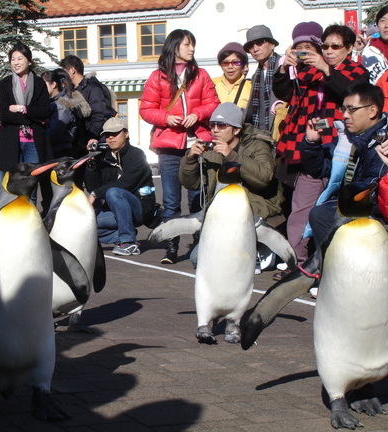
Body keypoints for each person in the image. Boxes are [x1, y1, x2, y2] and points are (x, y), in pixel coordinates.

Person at [273, 23, 369, 273]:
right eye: (324, 46)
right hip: (311, 147)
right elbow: (283, 92)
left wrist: (327, 69)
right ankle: (297, 264)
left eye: (335, 46)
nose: (328, 51)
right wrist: (285, 67)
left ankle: (333, 266)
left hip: (343, 153)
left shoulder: (357, 71)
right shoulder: (309, 72)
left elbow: (350, 92)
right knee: (301, 209)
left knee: (337, 213)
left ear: (349, 48)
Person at [139, 28, 219, 264]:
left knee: (197, 198)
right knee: (172, 201)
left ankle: (198, 244)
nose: (191, 49)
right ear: (174, 47)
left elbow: (214, 104)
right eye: (186, 44)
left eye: (193, 44)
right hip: (169, 147)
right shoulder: (158, 77)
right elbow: (145, 109)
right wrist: (166, 118)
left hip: (197, 144)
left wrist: (198, 113)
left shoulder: (201, 75)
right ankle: (171, 248)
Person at [180, 102, 284, 266]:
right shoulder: (213, 150)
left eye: (221, 125)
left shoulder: (257, 145)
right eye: (212, 125)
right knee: (197, 259)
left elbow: (264, 178)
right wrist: (190, 159)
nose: (215, 130)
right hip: (224, 218)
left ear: (236, 130)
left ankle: (260, 247)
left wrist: (232, 156)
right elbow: (192, 184)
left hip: (255, 214)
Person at [302, 83, 388, 248]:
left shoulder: (384, 142)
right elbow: (319, 169)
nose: (346, 116)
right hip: (349, 205)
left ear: (372, 111)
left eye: (352, 110)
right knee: (319, 213)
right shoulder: (347, 138)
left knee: (321, 215)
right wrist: (312, 143)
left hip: (374, 215)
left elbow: (373, 194)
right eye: (344, 110)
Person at [0, 42, 51, 212]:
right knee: (10, 186)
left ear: (29, 61)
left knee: (31, 187)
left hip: (33, 142)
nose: (16, 62)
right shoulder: (6, 83)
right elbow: (3, 114)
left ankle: (30, 222)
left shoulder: (39, 83)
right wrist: (30, 119)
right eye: (13, 59)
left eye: (20, 58)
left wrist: (21, 109)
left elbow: (45, 111)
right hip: (11, 141)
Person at [85, 117, 156, 256]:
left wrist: (95, 194)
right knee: (84, 225)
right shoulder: (104, 157)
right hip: (115, 210)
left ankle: (128, 242)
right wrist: (91, 160)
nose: (111, 138)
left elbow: (126, 184)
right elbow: (92, 186)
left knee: (113, 192)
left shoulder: (137, 155)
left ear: (126, 133)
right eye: (107, 135)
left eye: (115, 133)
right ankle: (122, 236)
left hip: (139, 208)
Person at [60, 54, 115, 153]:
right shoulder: (74, 90)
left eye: (64, 72)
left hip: (93, 142)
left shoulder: (92, 88)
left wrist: (91, 138)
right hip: (82, 143)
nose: (62, 77)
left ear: (72, 70)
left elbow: (99, 114)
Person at [42, 68, 91, 159]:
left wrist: (39, 137)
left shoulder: (62, 104)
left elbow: (54, 132)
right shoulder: (51, 102)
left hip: (61, 151)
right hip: (54, 149)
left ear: (53, 84)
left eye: (43, 84)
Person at [243, 25, 281, 134]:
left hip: (282, 131)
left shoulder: (285, 67)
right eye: (251, 46)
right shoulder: (256, 75)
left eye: (260, 42)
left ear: (272, 44)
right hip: (259, 135)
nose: (255, 49)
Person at [354, 5, 388, 110]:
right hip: (376, 111)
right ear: (377, 25)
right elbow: (352, 78)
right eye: (382, 21)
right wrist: (357, 51)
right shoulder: (367, 49)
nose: (387, 25)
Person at [212, 42, 252, 109]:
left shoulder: (250, 86)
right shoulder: (212, 83)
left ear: (243, 65)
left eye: (235, 62)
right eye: (225, 63)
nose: (230, 66)